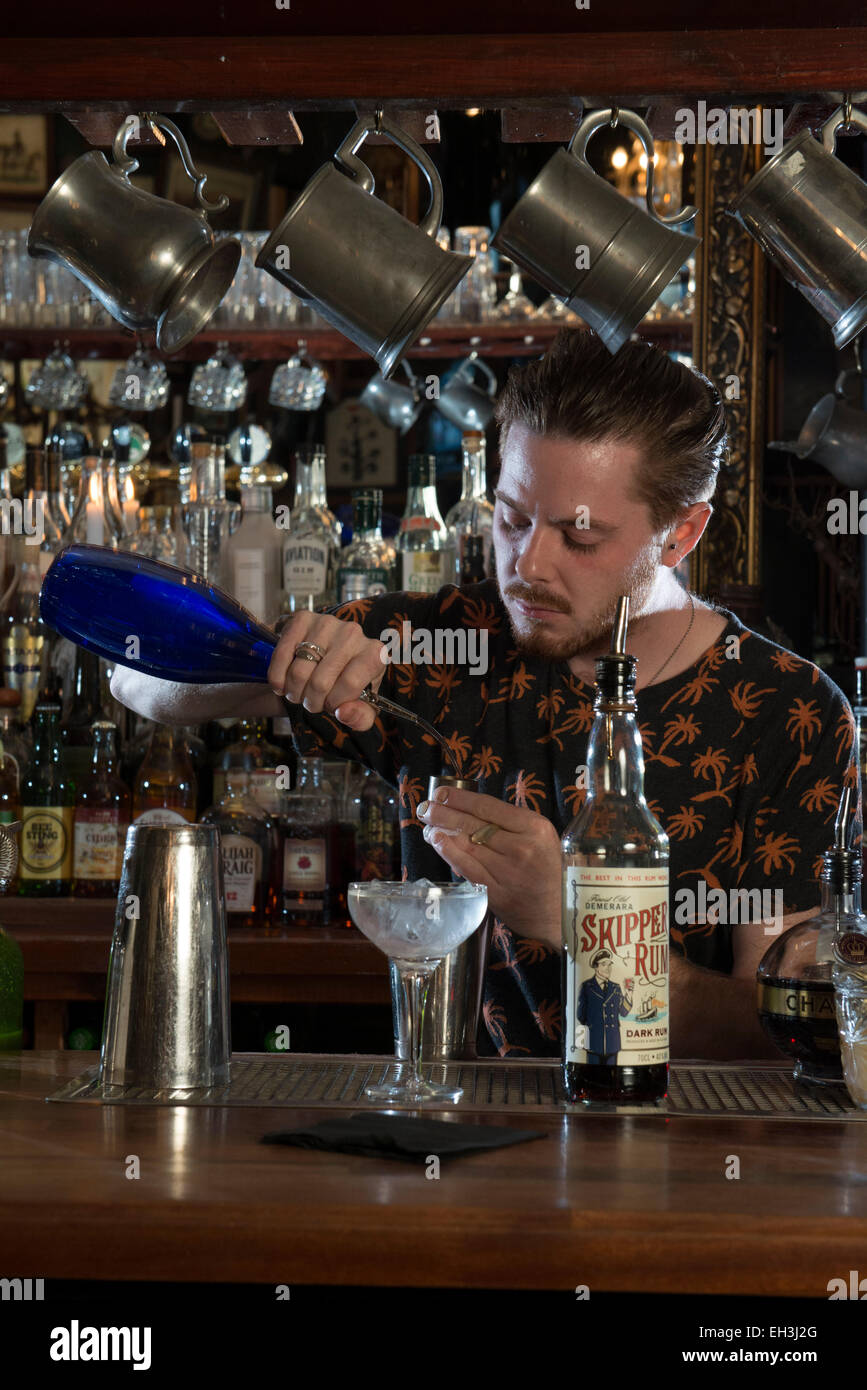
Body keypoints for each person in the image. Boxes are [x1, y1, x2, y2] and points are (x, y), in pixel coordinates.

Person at [111, 328, 860, 1061]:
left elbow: (767, 1030)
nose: (528, 565)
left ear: (681, 533)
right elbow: (138, 675)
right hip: (463, 1135)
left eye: (580, 536)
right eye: (511, 517)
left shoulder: (785, 712)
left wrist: (581, 920)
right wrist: (280, 657)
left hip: (682, 1151)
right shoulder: (432, 647)